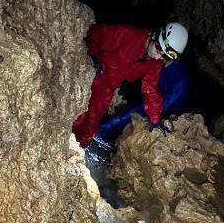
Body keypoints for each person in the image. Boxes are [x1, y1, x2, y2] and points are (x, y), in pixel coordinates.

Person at [72, 21, 188, 149]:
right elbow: (96, 33)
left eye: (163, 56)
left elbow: (151, 89)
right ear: (155, 35)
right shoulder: (128, 35)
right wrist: (92, 54)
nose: (156, 56)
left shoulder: (154, 63)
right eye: (158, 49)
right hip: (90, 78)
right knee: (77, 116)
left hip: (106, 90)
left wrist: (155, 120)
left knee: (90, 127)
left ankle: (77, 153)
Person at [93, 59, 189, 148]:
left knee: (123, 118)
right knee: (124, 114)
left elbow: (166, 103)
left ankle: (102, 134)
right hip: (151, 98)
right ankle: (100, 133)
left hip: (159, 107)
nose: (158, 55)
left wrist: (155, 118)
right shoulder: (160, 63)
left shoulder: (178, 79)